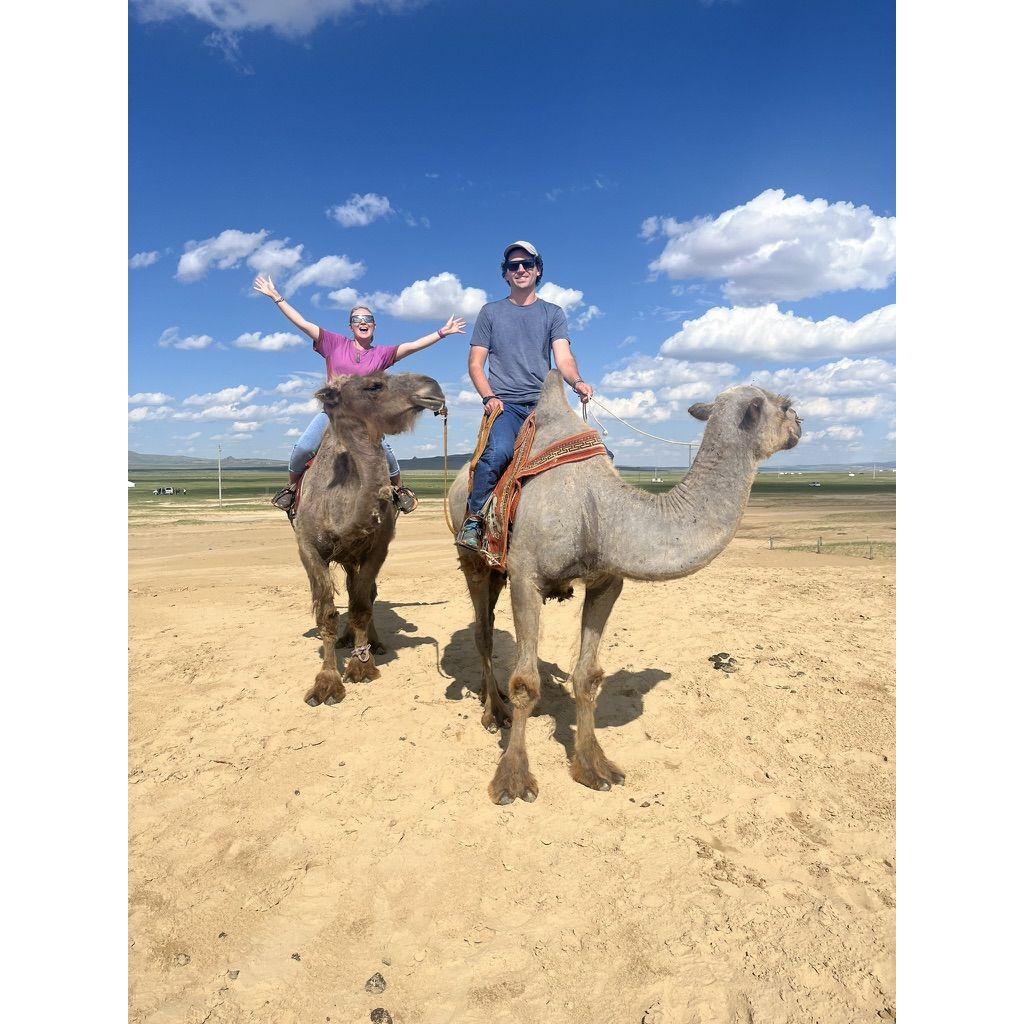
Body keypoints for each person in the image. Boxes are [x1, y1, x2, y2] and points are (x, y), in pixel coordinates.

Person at [252, 274, 464, 516]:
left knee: (388, 456)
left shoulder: (382, 354)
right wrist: (277, 297)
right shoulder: (333, 343)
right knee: (303, 448)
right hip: (333, 414)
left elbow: (413, 345)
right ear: (351, 326)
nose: (363, 322)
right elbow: (302, 323)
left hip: (365, 419)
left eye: (368, 319)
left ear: (374, 325)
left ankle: (398, 491)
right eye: (357, 319)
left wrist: (442, 332)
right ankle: (291, 490)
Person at [456, 241, 594, 550]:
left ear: (538, 270)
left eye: (527, 264)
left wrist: (577, 382)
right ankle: (474, 519)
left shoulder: (552, 313)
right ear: (504, 274)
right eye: (513, 266)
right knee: (498, 454)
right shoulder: (490, 313)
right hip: (506, 405)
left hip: (545, 405)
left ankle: (593, 522)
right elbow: (476, 364)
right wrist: (488, 397)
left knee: (592, 449)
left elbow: (564, 359)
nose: (520, 269)